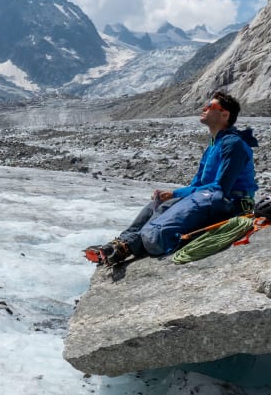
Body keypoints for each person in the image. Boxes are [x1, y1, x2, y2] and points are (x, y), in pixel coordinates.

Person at [85, 90, 258, 266]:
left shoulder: (233, 144)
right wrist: (172, 194)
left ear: (225, 114)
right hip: (210, 197)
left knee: (161, 222)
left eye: (210, 106)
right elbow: (198, 183)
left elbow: (220, 188)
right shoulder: (214, 145)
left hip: (231, 204)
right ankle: (120, 244)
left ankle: (125, 247)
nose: (204, 108)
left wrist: (176, 194)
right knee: (155, 205)